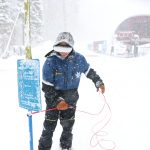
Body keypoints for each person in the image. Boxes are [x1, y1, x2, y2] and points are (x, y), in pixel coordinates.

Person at [38, 32, 105, 150]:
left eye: (66, 47)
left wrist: (98, 82)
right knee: (48, 128)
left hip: (71, 99)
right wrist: (58, 101)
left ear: (72, 47)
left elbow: (89, 72)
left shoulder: (79, 59)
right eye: (60, 47)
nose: (63, 51)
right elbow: (46, 87)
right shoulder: (50, 62)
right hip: (53, 101)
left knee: (68, 127)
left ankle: (66, 147)